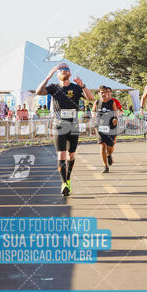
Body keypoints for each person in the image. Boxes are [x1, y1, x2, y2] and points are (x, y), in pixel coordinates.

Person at [36, 62, 94, 196]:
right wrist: (47, 77)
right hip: (59, 125)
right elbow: (39, 92)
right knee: (61, 154)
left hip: (73, 124)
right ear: (57, 75)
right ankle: (64, 183)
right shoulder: (53, 87)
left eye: (66, 69)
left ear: (70, 73)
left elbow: (91, 98)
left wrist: (82, 85)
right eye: (61, 69)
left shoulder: (76, 88)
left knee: (71, 155)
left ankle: (68, 178)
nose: (63, 71)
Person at [93, 86, 119, 173]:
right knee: (102, 146)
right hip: (100, 127)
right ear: (99, 93)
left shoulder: (111, 102)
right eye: (102, 92)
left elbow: (115, 112)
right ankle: (105, 166)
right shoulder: (96, 102)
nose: (104, 94)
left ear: (107, 93)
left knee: (110, 147)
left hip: (110, 127)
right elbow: (93, 112)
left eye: (105, 92)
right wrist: (94, 116)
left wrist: (115, 118)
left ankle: (109, 155)